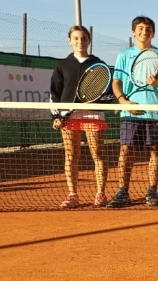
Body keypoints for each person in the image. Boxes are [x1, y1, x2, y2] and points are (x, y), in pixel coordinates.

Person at [107, 16, 158, 208]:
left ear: (154, 33)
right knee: (126, 151)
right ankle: (122, 191)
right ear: (133, 32)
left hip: (156, 112)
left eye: (149, 28)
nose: (145, 31)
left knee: (155, 152)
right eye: (140, 28)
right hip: (130, 112)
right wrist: (124, 102)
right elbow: (116, 82)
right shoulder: (123, 55)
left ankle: (152, 191)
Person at [50, 25, 109, 208]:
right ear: (70, 40)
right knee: (71, 155)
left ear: (89, 40)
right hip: (69, 117)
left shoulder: (98, 64)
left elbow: (107, 94)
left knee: (97, 153)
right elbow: (55, 93)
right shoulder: (62, 65)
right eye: (76, 38)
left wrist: (95, 103)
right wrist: (56, 116)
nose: (80, 42)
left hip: (93, 114)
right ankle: (73, 195)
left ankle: (100, 193)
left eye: (83, 38)